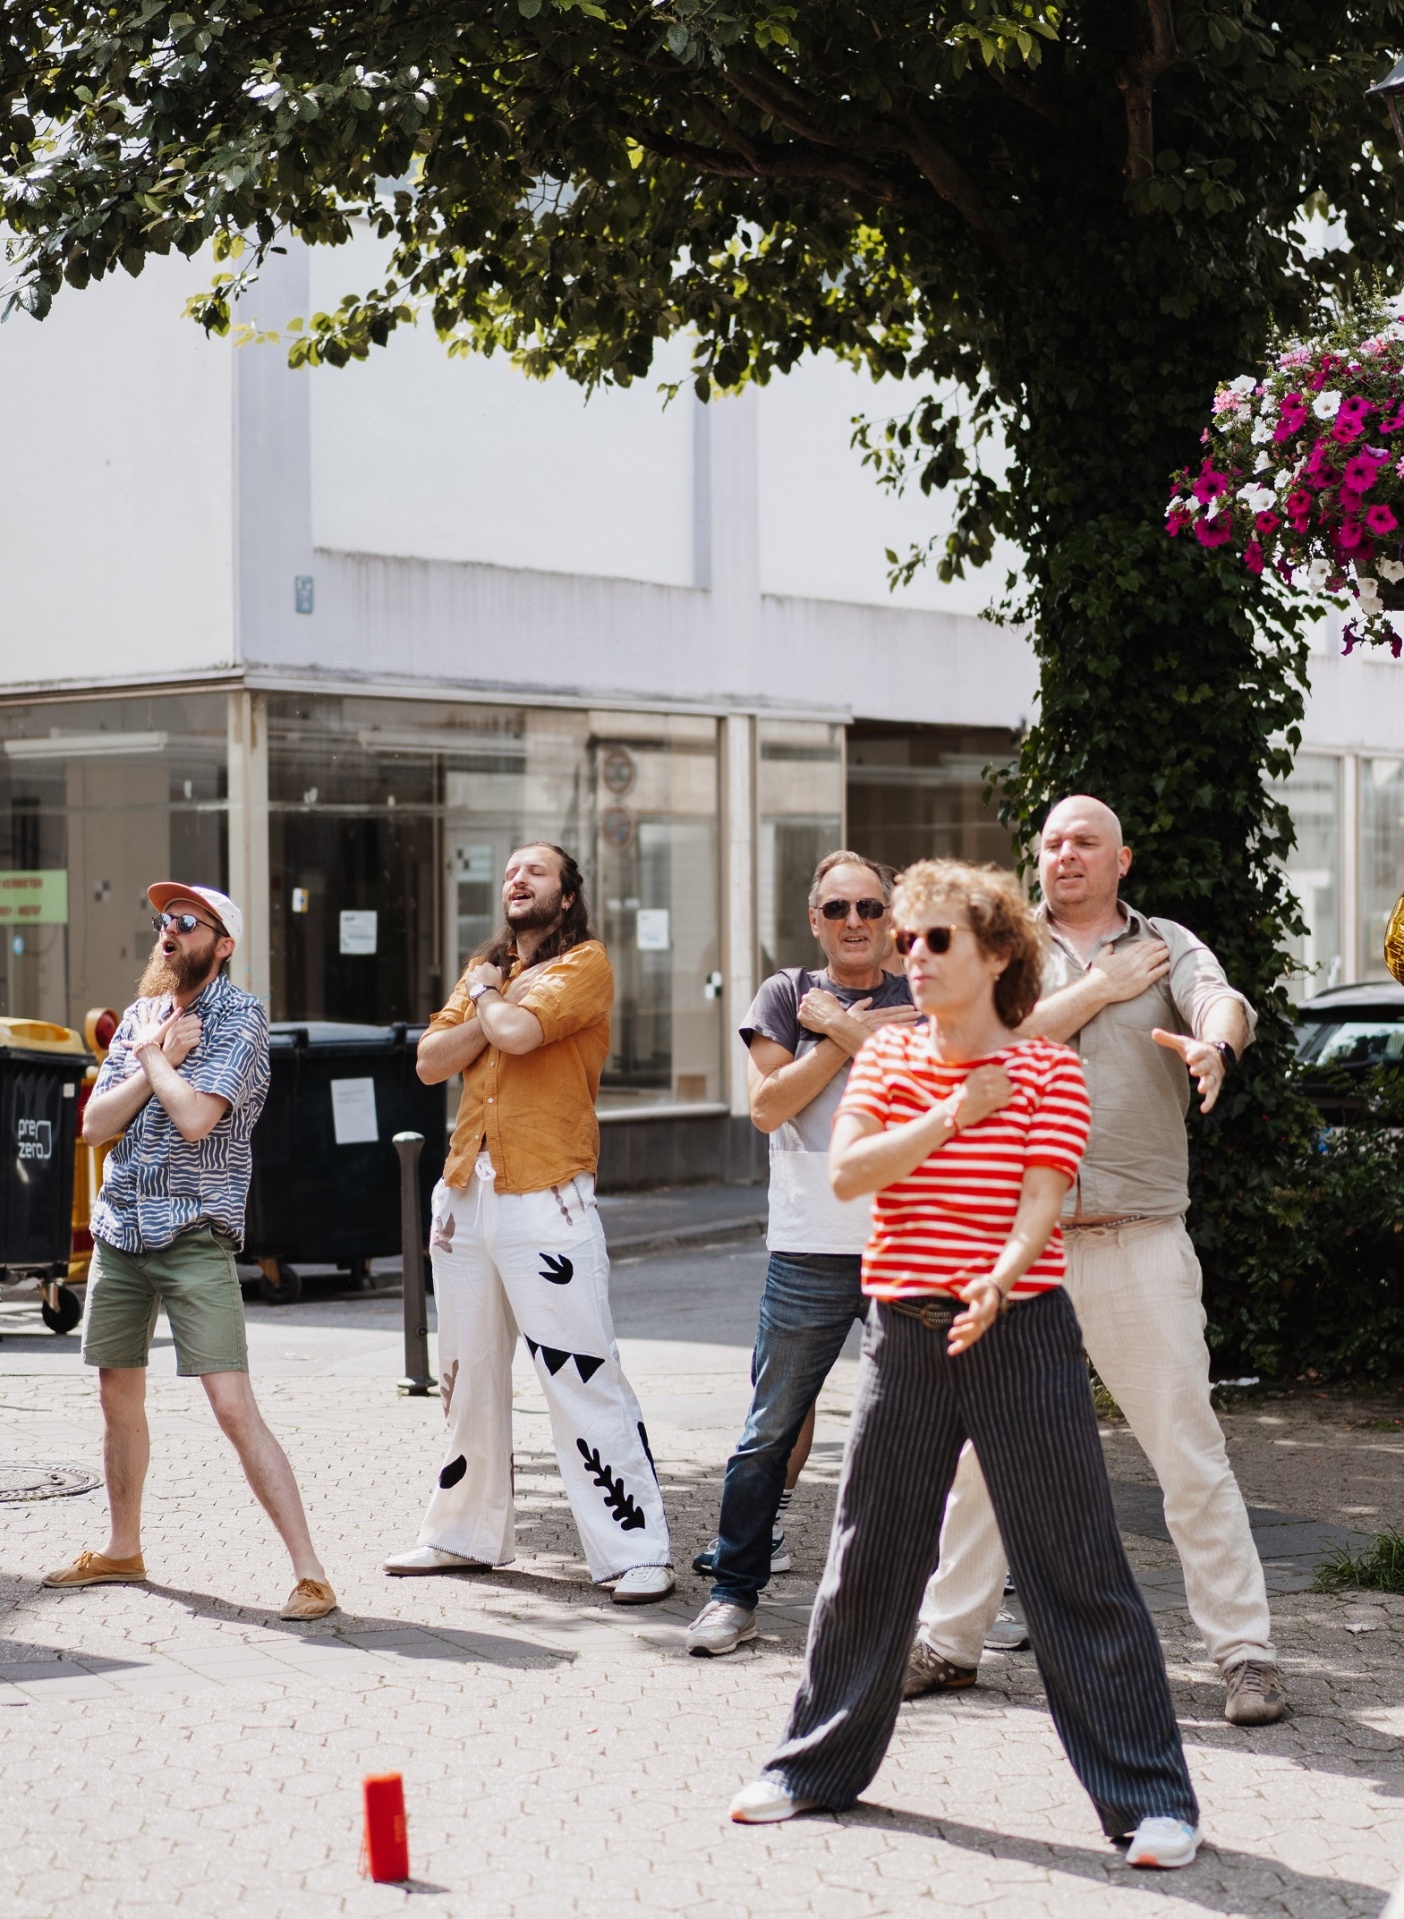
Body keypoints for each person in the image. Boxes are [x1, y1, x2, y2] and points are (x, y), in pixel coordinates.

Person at [729, 858, 1202, 1871]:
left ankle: (1151, 1796)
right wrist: (951, 1112)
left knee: (1077, 1561)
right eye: (908, 938)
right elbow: (852, 1169)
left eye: (934, 938)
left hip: (1021, 1331)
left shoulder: (1047, 1068)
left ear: (994, 955)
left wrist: (1002, 1275)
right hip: (904, 1331)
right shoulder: (891, 1054)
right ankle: (811, 1766)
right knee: (869, 1555)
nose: (914, 954)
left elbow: (1042, 1193)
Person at [905, 795, 1283, 1729]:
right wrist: (1104, 990)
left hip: (1138, 1237)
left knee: (1189, 1456)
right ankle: (948, 1644)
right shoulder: (999, 944)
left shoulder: (1169, 942)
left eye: (1085, 842)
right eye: (1052, 842)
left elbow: (1222, 999)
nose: (1065, 854)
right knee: (983, 1458)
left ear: (1122, 858)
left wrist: (1214, 1044)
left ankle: (1245, 1654)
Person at [383, 843, 673, 1603]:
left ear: (567, 896)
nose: (517, 880)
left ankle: (635, 1548)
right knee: (466, 1374)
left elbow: (512, 1035)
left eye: (535, 872)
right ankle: (462, 1535)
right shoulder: (489, 972)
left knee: (580, 1371)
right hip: (465, 1191)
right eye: (511, 871)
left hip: (548, 1190)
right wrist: (488, 1001)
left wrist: (484, 1001)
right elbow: (429, 1059)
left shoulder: (585, 965)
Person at [43, 884, 336, 1621]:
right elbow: (94, 1123)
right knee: (118, 1398)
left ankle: (311, 1573)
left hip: (194, 1234)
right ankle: (122, 1547)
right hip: (120, 1230)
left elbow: (197, 1117)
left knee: (233, 1405)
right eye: (161, 921)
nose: (165, 932)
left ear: (222, 943)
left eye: (184, 922)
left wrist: (156, 1063)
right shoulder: (145, 1016)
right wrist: (152, 1053)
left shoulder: (242, 1018)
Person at [687, 851, 916, 1655]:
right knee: (768, 1430)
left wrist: (842, 1027)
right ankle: (734, 1592)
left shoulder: (924, 988)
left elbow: (940, 1080)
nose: (855, 921)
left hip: (910, 1239)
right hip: (810, 1246)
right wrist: (849, 1042)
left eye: (870, 908)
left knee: (936, 1432)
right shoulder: (785, 993)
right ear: (816, 920)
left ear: (891, 919)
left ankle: (962, 1600)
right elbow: (768, 1105)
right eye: (839, 908)